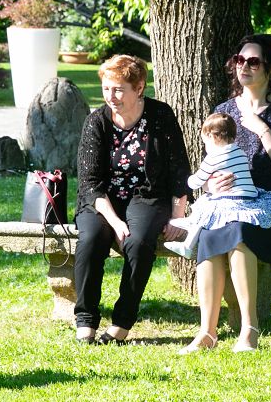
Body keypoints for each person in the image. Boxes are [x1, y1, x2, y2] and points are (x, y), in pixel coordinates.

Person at [180, 33, 271, 354]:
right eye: (240, 60)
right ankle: (207, 332)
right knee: (209, 235)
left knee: (239, 232)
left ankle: (249, 330)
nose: (244, 67)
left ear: (270, 68)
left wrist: (261, 127)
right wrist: (210, 185)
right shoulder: (223, 111)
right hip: (229, 202)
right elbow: (210, 164)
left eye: (253, 62)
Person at [74, 54, 191, 345]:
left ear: (139, 88)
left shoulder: (160, 116)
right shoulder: (96, 122)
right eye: (106, 89)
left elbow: (179, 169)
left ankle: (122, 321)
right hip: (103, 199)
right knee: (91, 239)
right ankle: (85, 319)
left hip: (146, 195)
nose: (110, 96)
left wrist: (178, 215)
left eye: (118, 89)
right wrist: (115, 223)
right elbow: (90, 183)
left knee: (137, 242)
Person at [163, 112, 271, 259]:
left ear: (212, 137)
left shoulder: (214, 158)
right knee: (207, 209)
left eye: (205, 143)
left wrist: (189, 180)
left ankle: (187, 245)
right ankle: (191, 226)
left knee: (206, 209)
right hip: (249, 200)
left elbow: (196, 182)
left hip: (230, 201)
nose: (205, 147)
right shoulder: (240, 152)